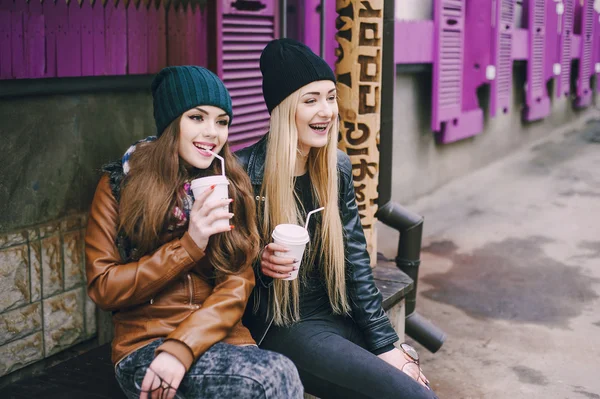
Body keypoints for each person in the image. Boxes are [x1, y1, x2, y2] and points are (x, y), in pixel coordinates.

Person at [85, 66, 303, 399]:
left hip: (224, 339)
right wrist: (189, 245)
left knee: (277, 375)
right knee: (272, 379)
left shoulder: (231, 183)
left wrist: (183, 347)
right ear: (171, 123)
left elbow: (236, 282)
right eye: (197, 118)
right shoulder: (119, 185)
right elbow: (104, 288)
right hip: (146, 344)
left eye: (222, 121)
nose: (212, 133)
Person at [236, 39, 437, 399]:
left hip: (335, 314)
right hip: (283, 326)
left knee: (411, 374)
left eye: (330, 97)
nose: (326, 111)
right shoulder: (245, 174)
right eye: (310, 100)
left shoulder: (336, 168)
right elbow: (218, 270)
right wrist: (258, 264)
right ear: (284, 109)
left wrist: (386, 344)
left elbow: (356, 264)